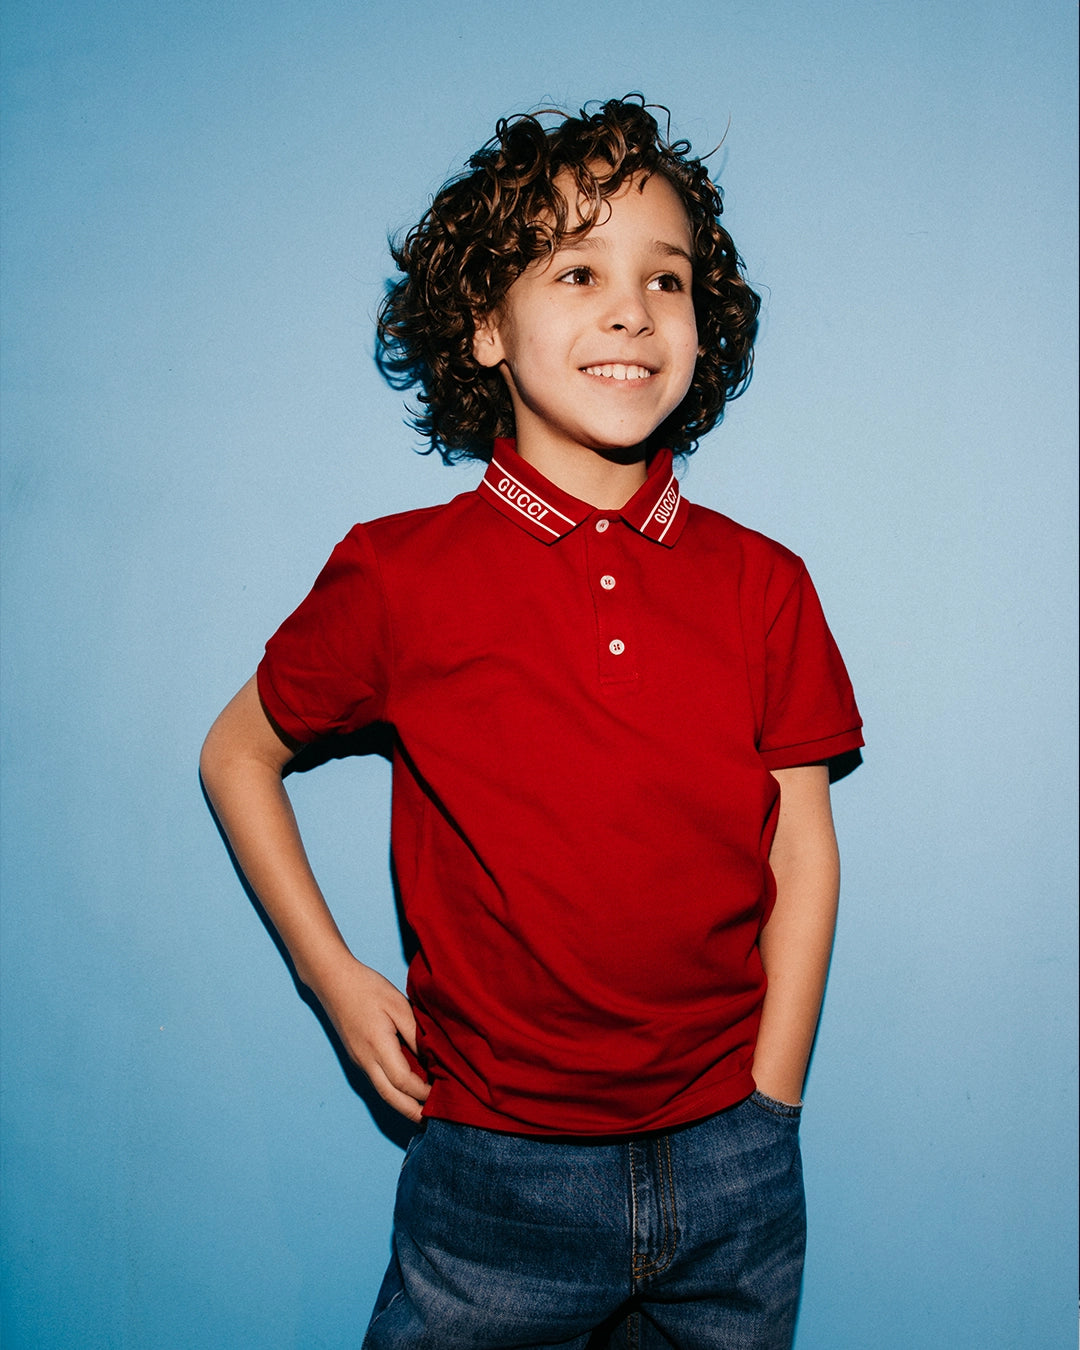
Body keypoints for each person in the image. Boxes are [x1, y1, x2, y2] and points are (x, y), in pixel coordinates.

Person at [201, 95, 863, 1350]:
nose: (632, 309)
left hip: (732, 1164)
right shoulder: (398, 575)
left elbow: (803, 846)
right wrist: (333, 977)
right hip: (495, 1172)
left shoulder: (763, 582)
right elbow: (237, 754)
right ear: (486, 326)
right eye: (577, 270)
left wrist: (770, 1104)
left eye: (666, 278)